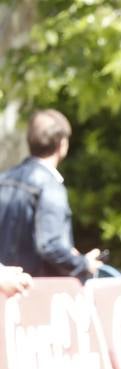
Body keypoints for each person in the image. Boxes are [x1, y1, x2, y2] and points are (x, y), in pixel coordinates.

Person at [0, 109, 103, 281]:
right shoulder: (49, 186)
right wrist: (82, 263)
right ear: (62, 144)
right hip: (35, 292)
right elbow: (50, 245)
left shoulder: (3, 179)